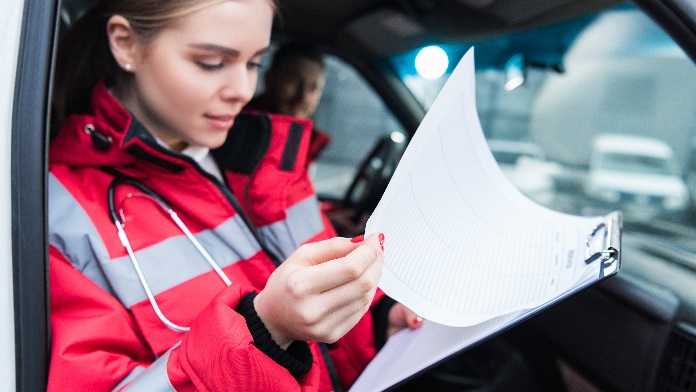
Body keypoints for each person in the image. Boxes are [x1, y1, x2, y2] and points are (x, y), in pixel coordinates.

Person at [48, 0, 422, 391]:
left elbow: (326, 302)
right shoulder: (62, 217)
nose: (244, 91)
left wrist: (379, 322)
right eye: (211, 62)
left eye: (254, 63)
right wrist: (265, 330)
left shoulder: (272, 164)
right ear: (125, 44)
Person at [245, 41, 331, 168]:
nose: (303, 96)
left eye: (313, 88)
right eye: (294, 81)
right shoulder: (238, 131)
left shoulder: (308, 144)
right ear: (269, 79)